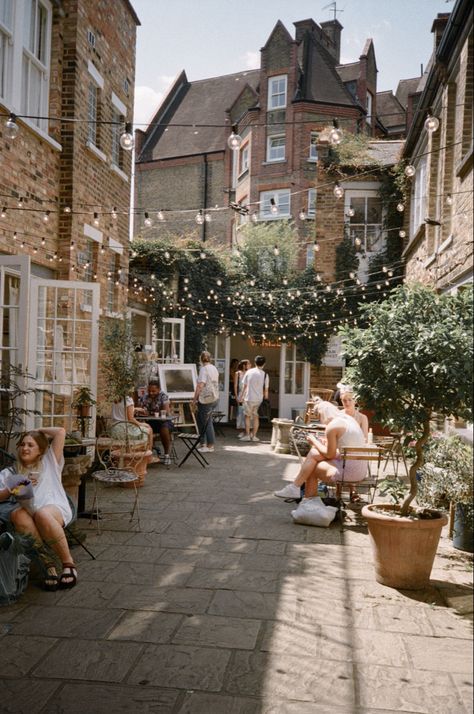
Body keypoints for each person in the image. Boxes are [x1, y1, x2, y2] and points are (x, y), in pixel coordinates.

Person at [0, 427, 77, 591]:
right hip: (29, 512)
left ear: (40, 450)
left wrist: (36, 430)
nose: (25, 448)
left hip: (54, 508)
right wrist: (13, 487)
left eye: (30, 445)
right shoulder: (11, 472)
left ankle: (68, 563)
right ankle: (48, 563)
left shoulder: (50, 461)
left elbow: (61, 432)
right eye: (22, 444)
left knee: (42, 513)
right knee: (18, 515)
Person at [274, 400, 367, 502]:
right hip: (360, 469)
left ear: (322, 414)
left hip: (349, 472)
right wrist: (322, 444)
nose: (320, 421)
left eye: (318, 417)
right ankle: (296, 488)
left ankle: (307, 502)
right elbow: (341, 446)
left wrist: (314, 441)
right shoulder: (349, 419)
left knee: (312, 467)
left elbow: (329, 454)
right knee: (314, 454)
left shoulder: (332, 426)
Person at [136, 380, 173, 465]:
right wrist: (141, 411)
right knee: (142, 428)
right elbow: (139, 409)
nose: (151, 393)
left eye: (153, 391)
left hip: (163, 422)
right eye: (149, 391)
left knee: (164, 429)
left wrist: (150, 413)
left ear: (159, 389)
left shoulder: (163, 396)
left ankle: (167, 454)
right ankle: (146, 454)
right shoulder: (144, 396)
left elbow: (166, 412)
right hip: (150, 422)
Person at [193, 351, 219, 453]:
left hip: (206, 399)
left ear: (201, 359)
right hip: (214, 397)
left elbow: (200, 385)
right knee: (201, 420)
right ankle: (202, 443)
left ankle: (210, 445)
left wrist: (194, 399)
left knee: (207, 422)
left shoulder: (204, 369)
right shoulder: (214, 368)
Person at [240, 355, 269, 442]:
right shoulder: (265, 375)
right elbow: (266, 389)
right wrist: (266, 398)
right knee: (256, 417)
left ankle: (247, 435)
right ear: (264, 364)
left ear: (255, 363)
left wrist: (241, 396)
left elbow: (244, 386)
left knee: (247, 417)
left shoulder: (249, 372)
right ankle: (254, 436)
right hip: (258, 399)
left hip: (249, 398)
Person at [234, 359, 250, 438]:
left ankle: (246, 431)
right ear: (244, 365)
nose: (250, 365)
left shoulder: (249, 373)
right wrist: (236, 396)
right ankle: (241, 430)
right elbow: (235, 386)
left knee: (247, 413)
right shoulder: (238, 373)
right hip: (241, 395)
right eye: (248, 364)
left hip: (248, 395)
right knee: (240, 413)